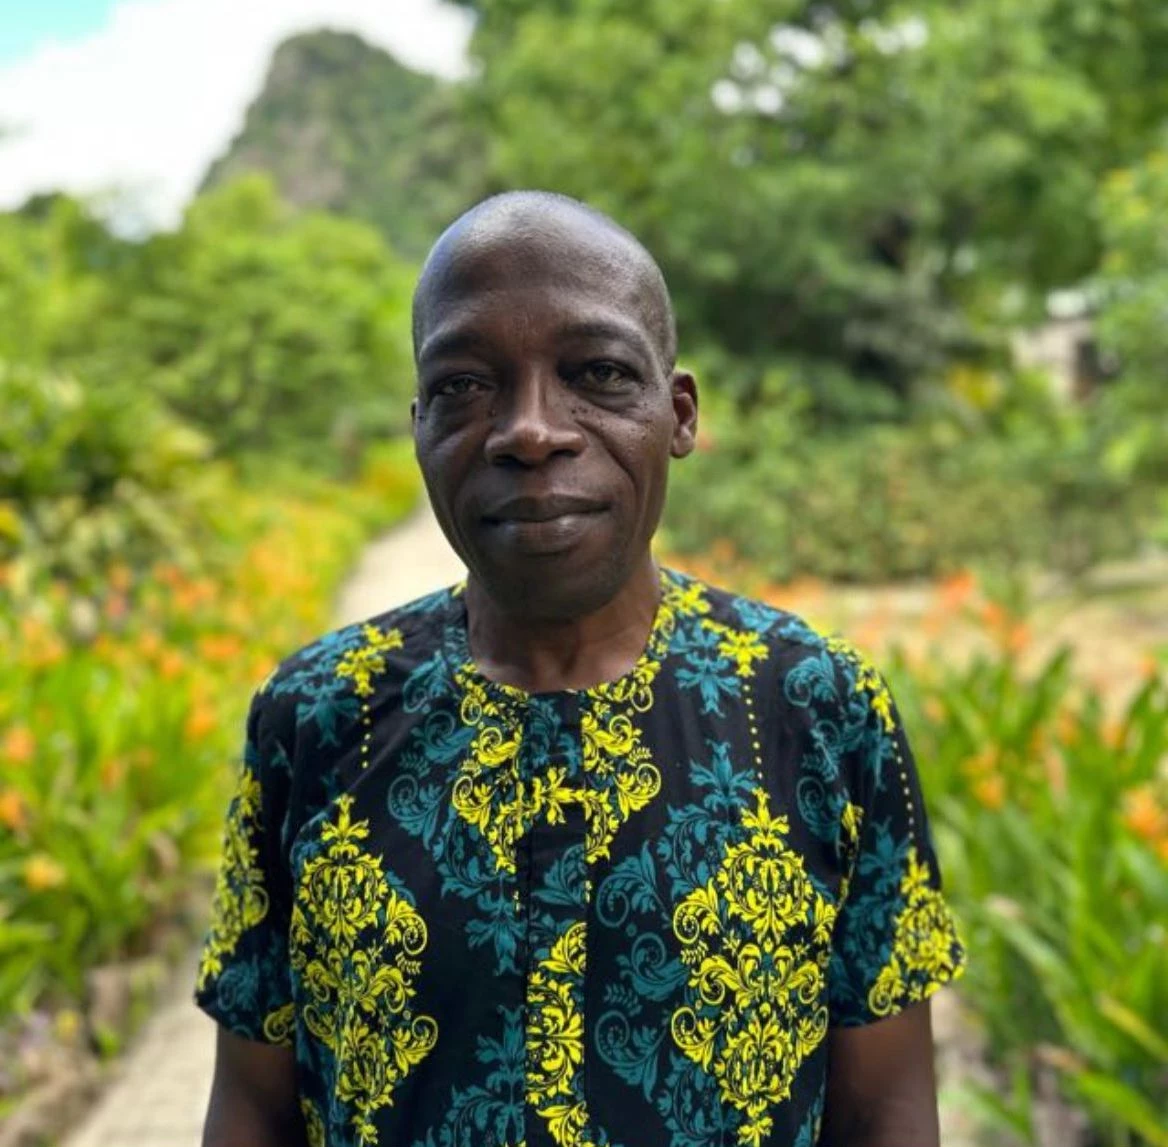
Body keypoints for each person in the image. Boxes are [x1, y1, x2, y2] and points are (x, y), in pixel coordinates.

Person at [195, 191, 966, 1147]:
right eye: (465, 386)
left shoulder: (818, 704)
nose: (529, 430)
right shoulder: (314, 715)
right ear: (420, 427)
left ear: (677, 414)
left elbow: (886, 1106)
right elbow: (253, 1102)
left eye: (595, 373)